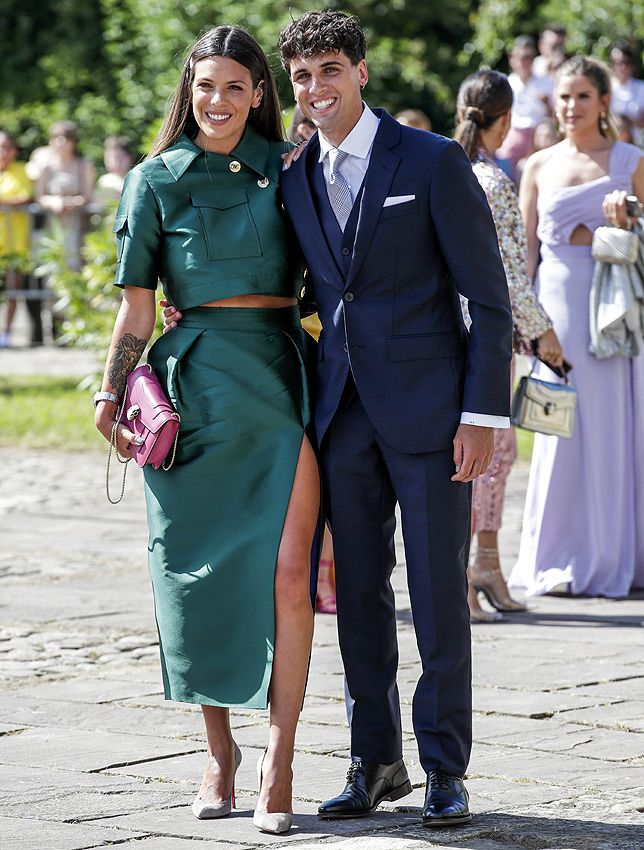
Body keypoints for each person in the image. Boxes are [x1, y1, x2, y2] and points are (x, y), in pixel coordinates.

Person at [277, 10, 512, 827]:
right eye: (303, 77)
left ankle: (446, 767)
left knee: (440, 591)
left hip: (435, 413)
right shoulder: (297, 173)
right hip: (341, 413)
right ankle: (374, 760)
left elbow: (487, 297)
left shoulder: (433, 161)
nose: (317, 89)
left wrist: (483, 412)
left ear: (362, 72)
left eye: (330, 70)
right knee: (360, 597)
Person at [95, 26, 319, 835]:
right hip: (192, 393)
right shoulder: (152, 180)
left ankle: (280, 762)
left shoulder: (296, 169)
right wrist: (111, 391)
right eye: (203, 87)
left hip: (281, 381)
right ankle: (217, 752)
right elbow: (134, 308)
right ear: (186, 92)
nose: (217, 101)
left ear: (259, 91)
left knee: (290, 575)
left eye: (233, 86)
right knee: (195, 577)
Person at [509, 56, 644, 598]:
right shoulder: (537, 165)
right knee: (556, 429)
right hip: (556, 307)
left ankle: (614, 555)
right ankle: (557, 554)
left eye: (582, 96)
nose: (570, 106)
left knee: (612, 424)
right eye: (564, 97)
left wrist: (623, 226)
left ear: (604, 102)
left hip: (615, 309)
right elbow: (523, 256)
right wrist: (527, 325)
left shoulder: (631, 159)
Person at [454, 71, 565, 623]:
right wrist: (544, 333)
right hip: (489, 337)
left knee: (482, 458)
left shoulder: (446, 169)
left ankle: (486, 566)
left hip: (450, 332)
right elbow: (509, 275)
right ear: (504, 119)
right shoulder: (492, 182)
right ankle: (469, 575)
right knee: (490, 459)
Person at [36, 121, 95, 271]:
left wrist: (72, 202)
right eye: (57, 137)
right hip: (52, 226)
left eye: (66, 137)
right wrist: (53, 202)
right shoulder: (45, 167)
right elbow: (39, 196)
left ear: (73, 141)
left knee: (75, 268)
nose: (61, 142)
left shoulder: (83, 165)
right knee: (52, 270)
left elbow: (87, 195)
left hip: (77, 226)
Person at [495, 36, 554, 182]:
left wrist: (546, 104)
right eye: (520, 57)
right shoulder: (507, 83)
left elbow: (555, 116)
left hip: (540, 138)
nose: (524, 62)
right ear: (512, 59)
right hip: (512, 139)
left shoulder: (546, 83)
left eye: (528, 57)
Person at [0, 131, 32, 347]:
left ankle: (6, 332)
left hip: (15, 243)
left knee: (12, 290)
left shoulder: (21, 171)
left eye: (6, 147)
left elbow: (26, 197)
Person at [610, 43, 644, 148]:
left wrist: (625, 121)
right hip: (610, 144)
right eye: (617, 63)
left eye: (625, 62)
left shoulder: (641, 87)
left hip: (637, 145)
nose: (622, 67)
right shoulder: (606, 88)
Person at [94, 136, 133, 203]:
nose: (117, 163)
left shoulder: (134, 179)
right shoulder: (103, 181)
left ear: (130, 158)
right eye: (111, 158)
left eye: (120, 158)